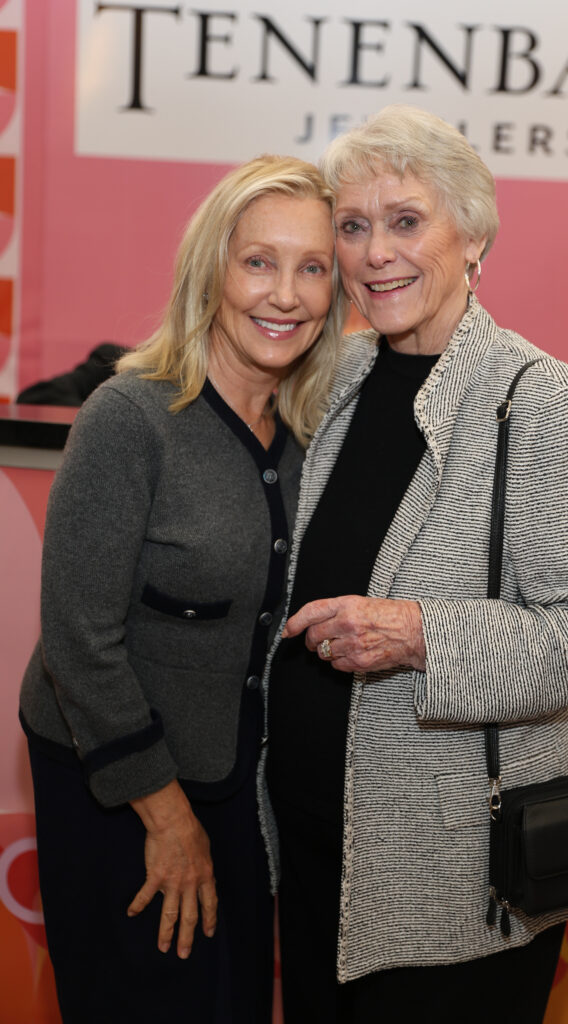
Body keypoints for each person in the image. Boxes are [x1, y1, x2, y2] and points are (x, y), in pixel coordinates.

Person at [263, 106, 568, 1023]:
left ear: (472, 237)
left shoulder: (541, 398)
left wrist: (414, 634)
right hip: (315, 852)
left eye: (406, 220)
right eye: (352, 227)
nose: (374, 253)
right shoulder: (333, 378)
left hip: (455, 881)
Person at [19, 154, 344, 1024]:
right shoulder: (129, 419)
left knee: (232, 1001)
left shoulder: (309, 433)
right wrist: (166, 819)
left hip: (237, 787)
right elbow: (78, 643)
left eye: (312, 267)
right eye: (258, 262)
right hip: (120, 785)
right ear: (211, 270)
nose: (285, 294)